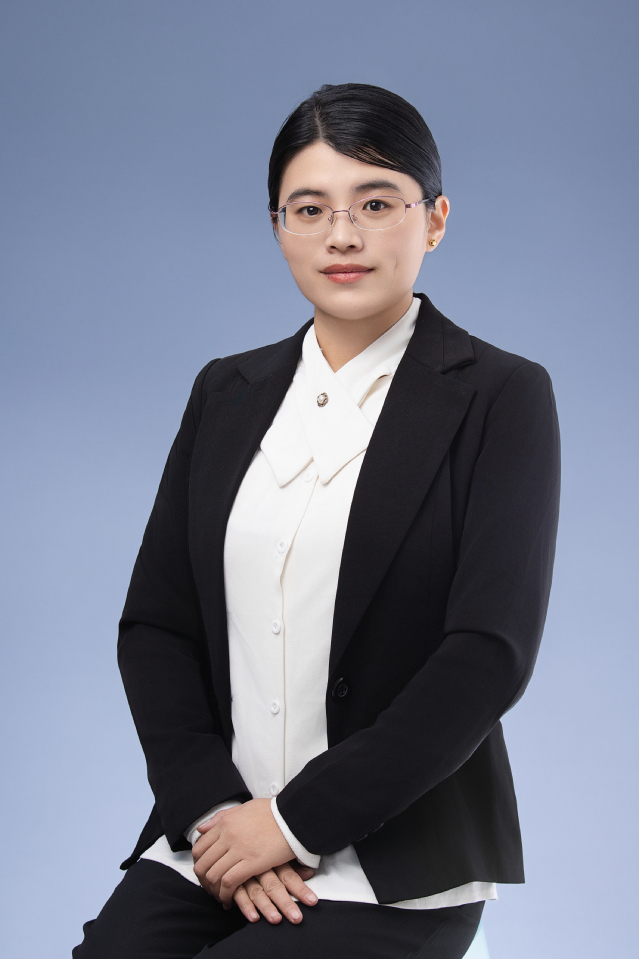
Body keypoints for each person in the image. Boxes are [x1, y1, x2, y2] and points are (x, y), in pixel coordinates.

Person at [73, 82, 560, 959]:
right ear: (278, 227)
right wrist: (218, 814)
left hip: (397, 860)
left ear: (434, 219)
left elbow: (488, 654)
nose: (341, 235)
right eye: (310, 209)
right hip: (217, 838)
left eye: (375, 203)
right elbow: (156, 625)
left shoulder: (500, 394)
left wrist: (291, 822)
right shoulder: (226, 390)